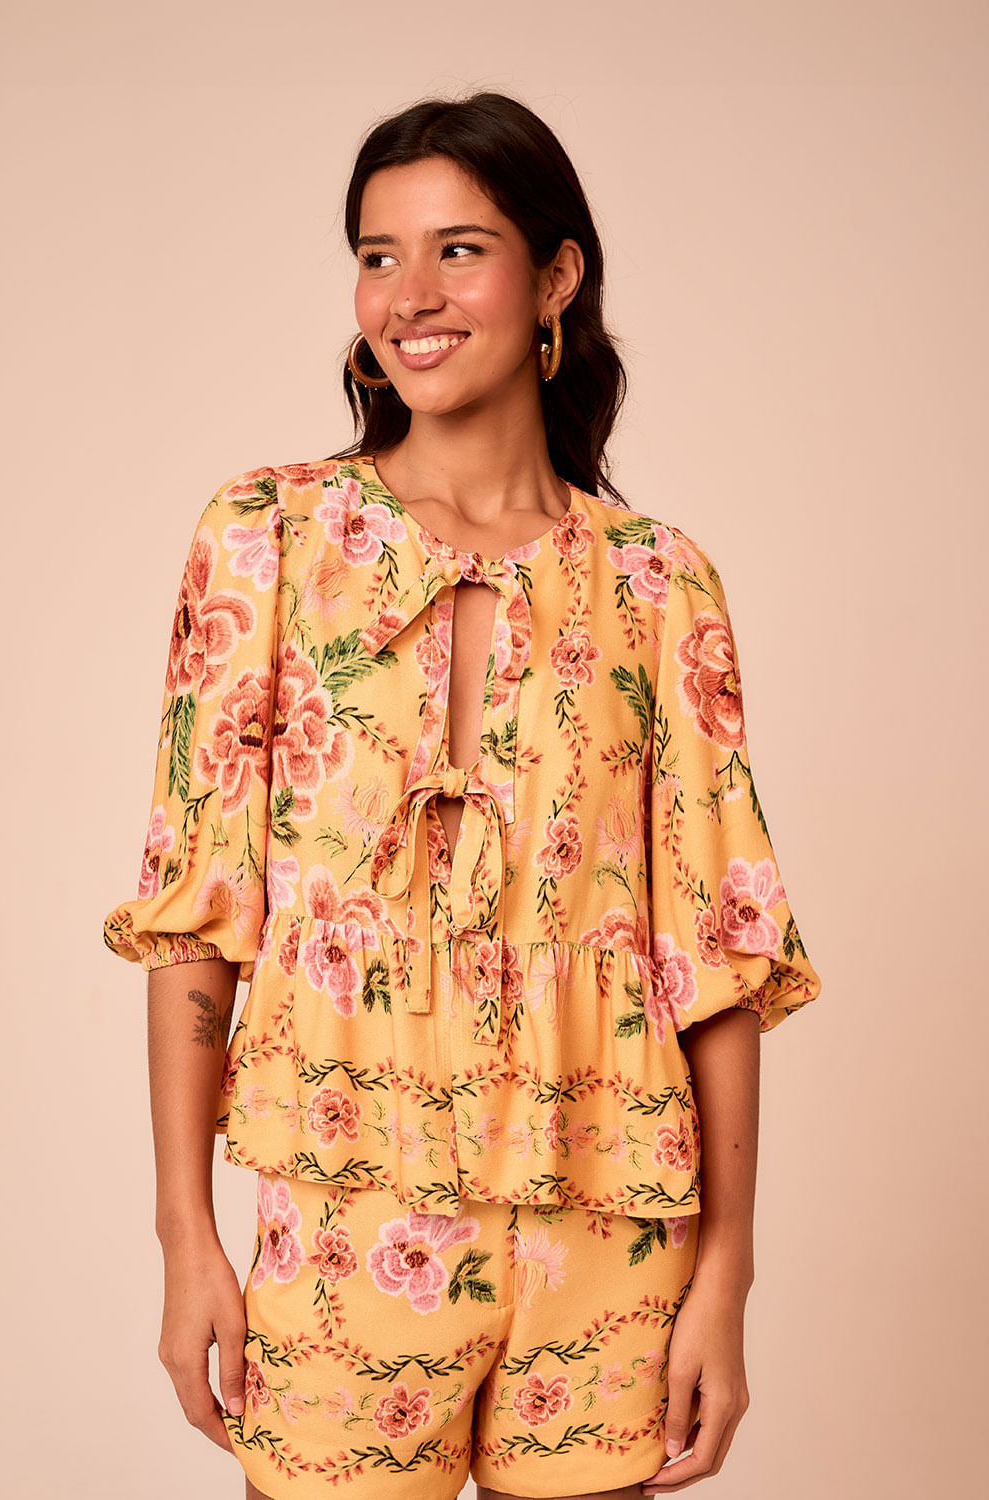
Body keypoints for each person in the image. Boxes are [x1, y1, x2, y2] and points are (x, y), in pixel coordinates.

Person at [103, 91, 821, 1500]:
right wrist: (188, 1238)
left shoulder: (660, 583)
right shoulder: (265, 538)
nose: (410, 296)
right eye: (378, 256)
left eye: (459, 249)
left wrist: (727, 1277)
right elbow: (196, 912)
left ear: (556, 279)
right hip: (346, 1227)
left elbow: (717, 951)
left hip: (613, 1238)